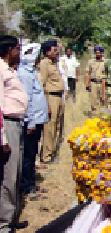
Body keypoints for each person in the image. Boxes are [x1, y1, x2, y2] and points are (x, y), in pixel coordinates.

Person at [0, 35, 28, 232]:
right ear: (9, 50)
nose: (20, 52)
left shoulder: (10, 69)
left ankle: (12, 216)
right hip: (7, 125)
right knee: (8, 176)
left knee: (16, 173)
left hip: (17, 124)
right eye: (18, 48)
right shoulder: (0, 70)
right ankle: (4, 224)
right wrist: (2, 138)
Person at [17, 43, 49, 197]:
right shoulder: (24, 74)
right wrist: (30, 122)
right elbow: (27, 99)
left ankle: (31, 183)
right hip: (32, 121)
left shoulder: (31, 72)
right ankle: (26, 187)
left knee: (32, 152)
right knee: (28, 155)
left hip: (37, 119)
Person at [39, 39, 64, 163]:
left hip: (59, 97)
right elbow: (41, 85)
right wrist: (46, 104)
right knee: (49, 128)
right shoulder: (44, 64)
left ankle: (52, 151)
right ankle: (46, 156)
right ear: (47, 52)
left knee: (57, 126)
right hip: (51, 97)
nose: (57, 51)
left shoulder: (54, 63)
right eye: (54, 50)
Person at [85, 45, 105, 112]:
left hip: (103, 84)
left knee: (103, 100)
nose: (98, 53)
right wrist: (87, 84)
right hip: (93, 83)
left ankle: (102, 116)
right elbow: (87, 73)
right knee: (93, 102)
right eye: (96, 52)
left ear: (102, 53)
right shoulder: (91, 62)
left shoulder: (106, 62)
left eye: (99, 52)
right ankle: (94, 116)